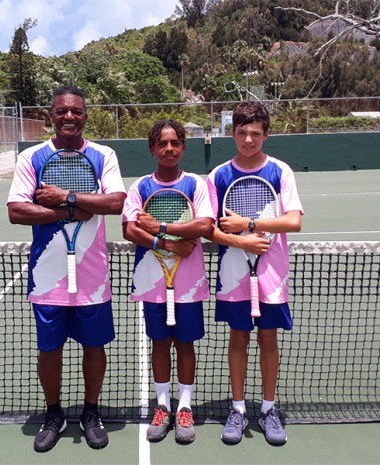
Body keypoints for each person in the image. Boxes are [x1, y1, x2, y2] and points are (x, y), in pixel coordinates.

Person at [7, 85, 126, 452]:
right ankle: (54, 413)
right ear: (51, 116)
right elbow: (17, 211)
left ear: (85, 116)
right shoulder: (31, 158)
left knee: (94, 346)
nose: (69, 117)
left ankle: (91, 412)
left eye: (76, 111)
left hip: (93, 277)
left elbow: (115, 203)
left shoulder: (103, 155)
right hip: (47, 278)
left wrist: (65, 196)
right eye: (62, 111)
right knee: (50, 349)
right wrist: (71, 209)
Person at [205, 101, 303, 445]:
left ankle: (268, 409)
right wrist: (240, 241)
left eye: (255, 133)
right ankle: (237, 408)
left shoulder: (280, 171)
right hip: (233, 273)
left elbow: (293, 221)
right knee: (238, 338)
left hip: (272, 275)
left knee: (268, 339)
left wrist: (248, 224)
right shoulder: (218, 176)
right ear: (232, 134)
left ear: (266, 135)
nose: (248, 139)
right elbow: (209, 228)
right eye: (242, 133)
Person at [122, 120, 214, 444]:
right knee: (160, 343)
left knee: (185, 344)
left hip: (188, 283)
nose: (169, 148)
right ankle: (162, 406)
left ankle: (184, 408)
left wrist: (159, 226)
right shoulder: (140, 187)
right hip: (152, 281)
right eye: (162, 143)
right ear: (152, 149)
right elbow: (130, 230)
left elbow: (204, 225)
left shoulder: (195, 184)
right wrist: (169, 244)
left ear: (183, 147)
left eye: (175, 142)